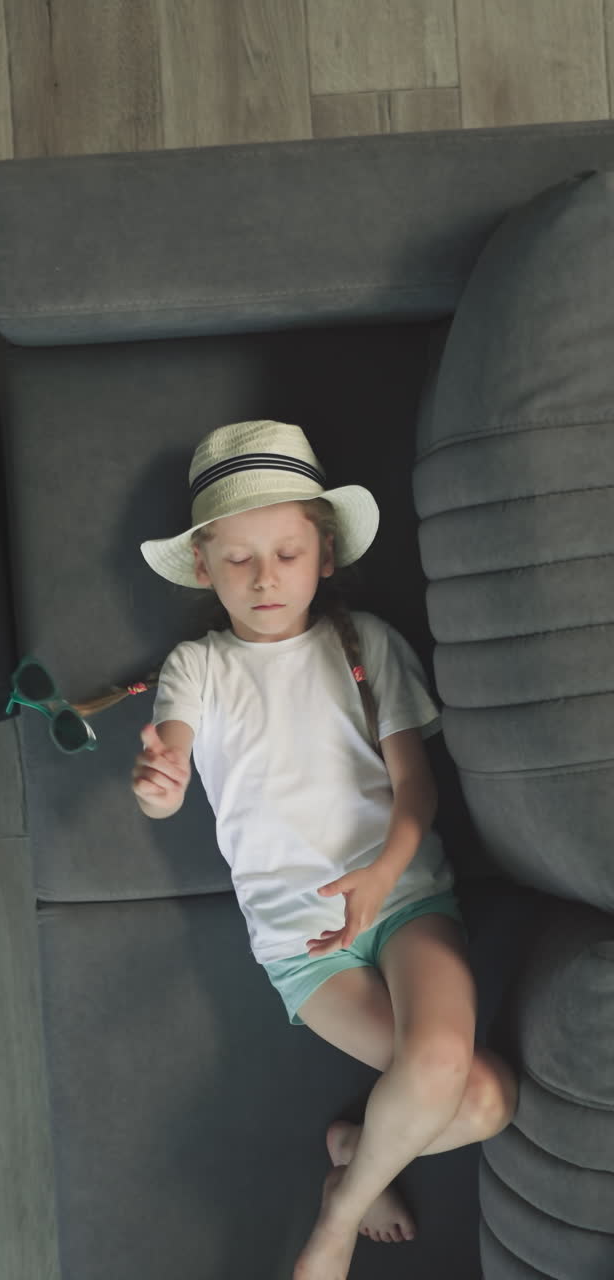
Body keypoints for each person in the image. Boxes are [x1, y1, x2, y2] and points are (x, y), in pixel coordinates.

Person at [73, 419, 519, 1280]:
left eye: (286, 554)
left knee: (460, 1078)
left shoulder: (370, 647)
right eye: (239, 559)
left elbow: (418, 790)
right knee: (480, 1098)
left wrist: (381, 876)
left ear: (324, 555)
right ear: (204, 566)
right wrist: (159, 782)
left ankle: (339, 1209)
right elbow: (170, 764)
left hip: (406, 899)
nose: (265, 578)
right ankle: (360, 1148)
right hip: (302, 944)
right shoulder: (199, 667)